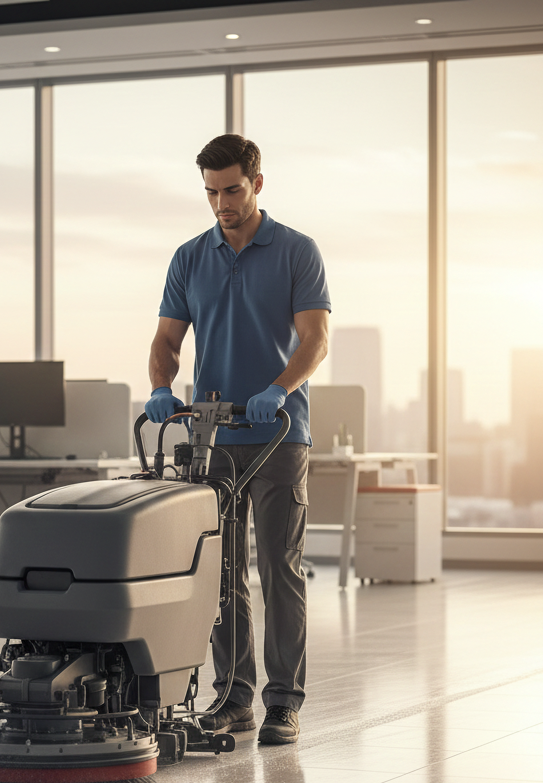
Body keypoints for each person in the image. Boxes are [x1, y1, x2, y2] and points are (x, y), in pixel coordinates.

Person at [144, 134, 330, 745]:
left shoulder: (297, 251)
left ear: (256, 184)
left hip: (279, 434)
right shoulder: (189, 257)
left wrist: (279, 387)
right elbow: (168, 340)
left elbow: (315, 341)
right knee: (221, 573)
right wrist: (161, 385)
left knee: (279, 567)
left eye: (232, 190)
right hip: (213, 437)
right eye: (211, 192)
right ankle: (233, 697)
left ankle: (284, 702)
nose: (221, 202)